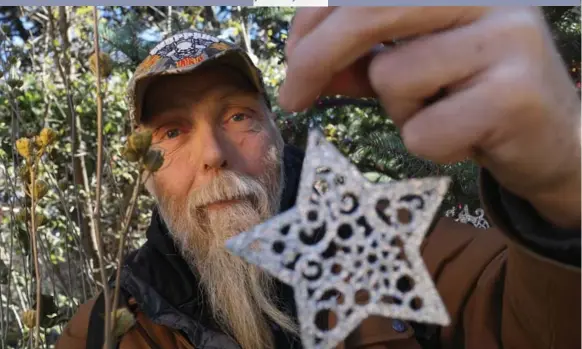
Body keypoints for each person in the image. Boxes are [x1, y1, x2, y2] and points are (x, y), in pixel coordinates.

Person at [56, 7, 580, 349]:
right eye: (172, 131)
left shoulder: (391, 245)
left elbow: (534, 321)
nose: (214, 154)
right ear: (145, 168)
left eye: (238, 116)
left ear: (276, 134)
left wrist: (562, 191)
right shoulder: (108, 331)